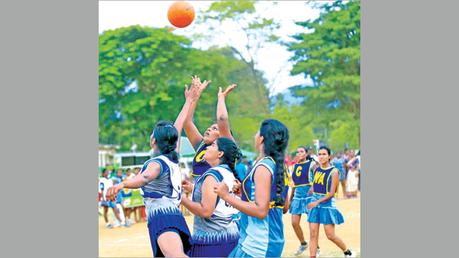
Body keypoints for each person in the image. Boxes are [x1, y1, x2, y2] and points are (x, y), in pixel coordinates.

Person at [106, 85, 198, 257]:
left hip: (163, 216)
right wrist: (188, 101)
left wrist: (122, 184)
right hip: (171, 214)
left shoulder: (156, 163)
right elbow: (176, 128)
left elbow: (145, 177)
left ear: (153, 140)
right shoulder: (172, 158)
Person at [214, 119, 289, 257]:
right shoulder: (280, 167)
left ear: (262, 139)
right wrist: (245, 193)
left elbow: (261, 211)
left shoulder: (263, 168)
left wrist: (226, 196)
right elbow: (283, 206)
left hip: (258, 244)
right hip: (268, 240)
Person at [181, 137, 242, 257]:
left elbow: (206, 211)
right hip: (232, 238)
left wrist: (182, 199)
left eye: (213, 145)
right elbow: (217, 199)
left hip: (211, 243)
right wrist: (193, 189)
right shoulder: (229, 173)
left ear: (220, 153)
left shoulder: (212, 176)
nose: (207, 147)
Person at [182, 76, 236, 182]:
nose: (209, 129)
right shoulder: (202, 145)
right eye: (210, 127)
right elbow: (186, 122)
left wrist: (221, 98)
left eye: (215, 128)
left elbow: (222, 119)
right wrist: (194, 97)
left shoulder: (227, 148)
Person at [307, 146, 356, 258]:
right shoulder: (316, 169)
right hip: (315, 203)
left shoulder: (334, 172)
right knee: (313, 234)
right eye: (319, 154)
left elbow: (331, 193)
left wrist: (317, 202)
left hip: (326, 205)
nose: (321, 156)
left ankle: (347, 252)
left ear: (329, 156)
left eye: (324, 154)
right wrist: (311, 191)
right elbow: (316, 184)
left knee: (330, 235)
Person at [288, 146, 318, 256]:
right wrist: (290, 199)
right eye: (297, 152)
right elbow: (294, 185)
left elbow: (319, 176)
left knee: (312, 225)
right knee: (294, 223)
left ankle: (316, 247)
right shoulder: (294, 166)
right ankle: (303, 243)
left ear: (306, 154)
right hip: (297, 197)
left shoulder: (312, 164)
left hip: (309, 197)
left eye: (301, 151)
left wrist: (314, 186)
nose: (299, 153)